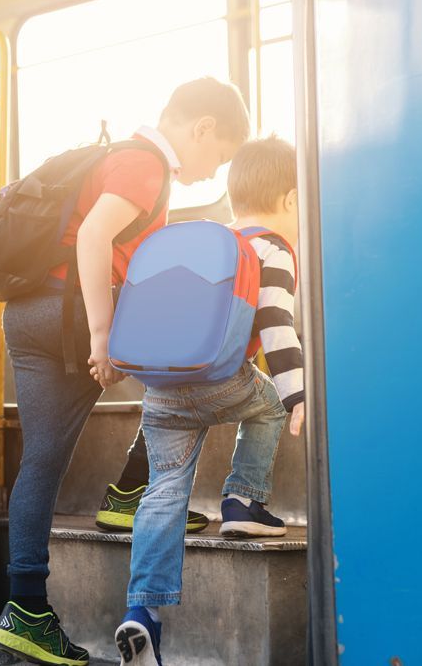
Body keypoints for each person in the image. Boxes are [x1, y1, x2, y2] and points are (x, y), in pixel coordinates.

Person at [0, 78, 250, 666]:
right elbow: (94, 237)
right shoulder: (145, 165)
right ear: (202, 127)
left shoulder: (115, 157)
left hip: (27, 313)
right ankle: (131, 492)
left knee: (43, 457)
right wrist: (102, 333)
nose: (212, 172)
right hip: (73, 314)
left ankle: (25, 609)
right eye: (220, 155)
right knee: (196, 376)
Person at [111, 136, 304, 666]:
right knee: (266, 405)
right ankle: (242, 499)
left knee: (164, 491)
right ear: (291, 200)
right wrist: (296, 393)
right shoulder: (274, 248)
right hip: (222, 383)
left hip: (160, 389)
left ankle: (140, 612)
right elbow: (276, 323)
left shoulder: (215, 238)